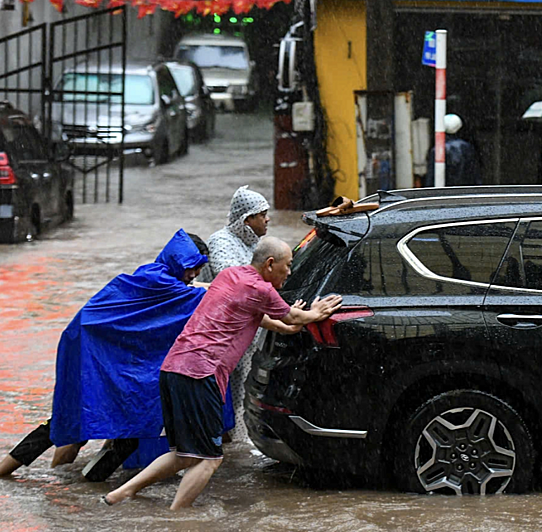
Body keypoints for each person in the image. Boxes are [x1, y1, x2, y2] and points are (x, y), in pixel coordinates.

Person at [102, 237, 342, 510]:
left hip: (173, 369)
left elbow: (272, 321)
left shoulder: (231, 276)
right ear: (270, 264)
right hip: (200, 374)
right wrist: (315, 312)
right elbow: (293, 319)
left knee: (183, 455)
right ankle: (176, 519)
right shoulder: (261, 289)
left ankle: (121, 494)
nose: (290, 272)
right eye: (288, 266)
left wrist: (294, 321)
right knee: (209, 459)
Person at [0, 231, 210, 479]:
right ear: (178, 261)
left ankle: (66, 484)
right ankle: (78, 483)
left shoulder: (153, 276)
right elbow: (205, 294)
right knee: (74, 423)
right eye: (192, 267)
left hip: (93, 349)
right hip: (91, 351)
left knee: (71, 421)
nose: (194, 274)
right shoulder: (165, 286)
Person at [201, 185, 272, 442]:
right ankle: (225, 441)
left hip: (249, 334)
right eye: (262, 214)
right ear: (246, 219)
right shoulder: (220, 242)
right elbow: (230, 280)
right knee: (226, 391)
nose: (267, 220)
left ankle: (236, 442)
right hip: (224, 337)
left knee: (244, 391)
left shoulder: (255, 244)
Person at [424, 113, 482, 186]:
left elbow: (431, 177)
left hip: (445, 191)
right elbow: (475, 174)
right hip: (465, 191)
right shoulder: (467, 148)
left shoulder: (438, 150)